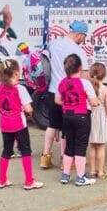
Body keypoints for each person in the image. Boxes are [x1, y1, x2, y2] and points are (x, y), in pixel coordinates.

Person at [40, 21, 90, 169]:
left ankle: (45, 157)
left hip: (53, 90)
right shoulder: (78, 52)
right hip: (70, 94)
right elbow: (85, 76)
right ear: (79, 34)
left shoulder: (54, 44)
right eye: (84, 36)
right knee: (67, 129)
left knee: (52, 125)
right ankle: (65, 159)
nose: (84, 40)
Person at [0, 59, 44, 190]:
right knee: (26, 151)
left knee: (7, 151)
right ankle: (29, 181)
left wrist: (4, 113)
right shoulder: (20, 88)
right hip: (19, 124)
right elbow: (29, 109)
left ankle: (2, 179)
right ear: (15, 73)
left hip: (4, 123)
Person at [57, 54, 99, 186]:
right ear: (80, 67)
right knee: (80, 147)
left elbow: (57, 100)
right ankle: (80, 177)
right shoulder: (85, 83)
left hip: (66, 116)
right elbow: (94, 102)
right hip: (82, 116)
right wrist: (96, 101)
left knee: (69, 146)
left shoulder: (62, 82)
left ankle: (66, 174)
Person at [88, 63, 107, 179]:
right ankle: (100, 172)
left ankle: (92, 171)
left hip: (90, 117)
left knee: (92, 146)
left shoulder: (88, 88)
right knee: (101, 146)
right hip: (102, 118)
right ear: (104, 75)